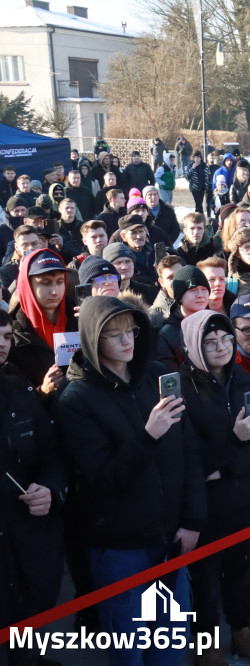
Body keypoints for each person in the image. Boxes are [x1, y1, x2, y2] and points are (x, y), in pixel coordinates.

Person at [56, 296, 205, 666]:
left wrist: (192, 520)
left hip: (170, 537)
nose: (127, 341)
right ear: (92, 338)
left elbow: (189, 454)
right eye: (113, 334)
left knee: (171, 645)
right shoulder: (76, 399)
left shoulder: (156, 377)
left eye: (131, 330)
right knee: (128, 647)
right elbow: (101, 480)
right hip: (118, 548)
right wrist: (147, 435)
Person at [179, 310, 250, 666]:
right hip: (205, 508)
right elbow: (185, 457)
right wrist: (232, 439)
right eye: (210, 341)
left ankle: (243, 632)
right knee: (205, 582)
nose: (221, 346)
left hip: (245, 498)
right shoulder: (182, 389)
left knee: (241, 572)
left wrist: (228, 468)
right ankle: (207, 644)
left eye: (225, 338)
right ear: (193, 345)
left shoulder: (245, 381)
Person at [0, 308, 67, 666]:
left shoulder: (17, 388)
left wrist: (50, 490)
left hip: (26, 537)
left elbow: (52, 455)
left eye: (8, 337)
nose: (2, 344)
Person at [8, 248, 77, 398]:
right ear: (27, 285)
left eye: (60, 282)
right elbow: (11, 399)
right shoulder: (10, 333)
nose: (54, 291)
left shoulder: (80, 318)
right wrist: (41, 392)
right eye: (45, 283)